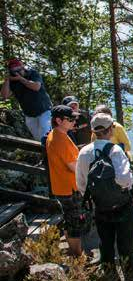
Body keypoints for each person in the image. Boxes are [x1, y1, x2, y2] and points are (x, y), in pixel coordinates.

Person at [76, 113, 133, 281]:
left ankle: (109, 274)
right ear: (111, 129)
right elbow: (125, 179)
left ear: (93, 131)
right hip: (122, 204)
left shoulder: (84, 152)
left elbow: (81, 183)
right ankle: (130, 277)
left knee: (105, 241)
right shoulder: (115, 150)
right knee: (126, 241)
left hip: (100, 206)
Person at [46, 105, 91, 257]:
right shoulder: (61, 140)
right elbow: (74, 167)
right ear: (58, 120)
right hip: (69, 188)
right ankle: (78, 254)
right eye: (70, 119)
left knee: (69, 218)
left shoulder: (56, 135)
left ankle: (74, 251)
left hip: (62, 186)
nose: (74, 121)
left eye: (74, 118)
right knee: (75, 221)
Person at [1, 59, 52, 140]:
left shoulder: (33, 73)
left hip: (44, 111)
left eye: (18, 70)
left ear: (23, 67)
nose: (17, 73)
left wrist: (21, 79)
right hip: (29, 114)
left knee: (46, 135)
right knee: (38, 139)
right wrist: (7, 80)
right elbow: (5, 96)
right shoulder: (13, 81)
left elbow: (36, 87)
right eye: (14, 71)